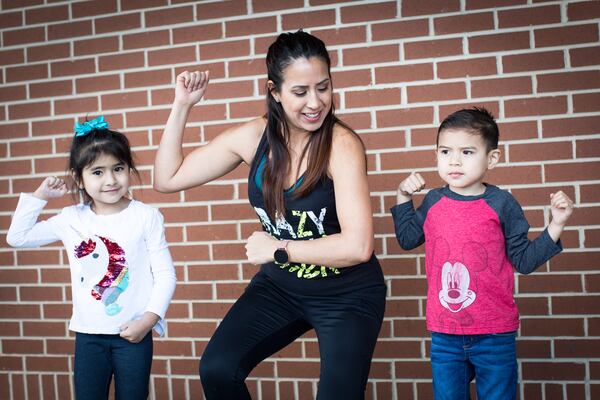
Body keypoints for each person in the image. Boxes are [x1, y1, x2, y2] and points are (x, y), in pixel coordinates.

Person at [154, 30, 386, 399]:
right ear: (274, 91)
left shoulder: (341, 145)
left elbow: (358, 246)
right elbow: (167, 178)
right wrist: (182, 105)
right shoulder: (254, 137)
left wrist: (279, 249)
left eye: (323, 87)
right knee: (218, 368)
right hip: (282, 288)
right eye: (300, 91)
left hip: (347, 293)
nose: (315, 102)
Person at [391, 107, 574, 400]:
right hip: (445, 334)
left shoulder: (503, 204)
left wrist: (556, 224)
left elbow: (524, 261)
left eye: (466, 152)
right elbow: (408, 238)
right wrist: (403, 197)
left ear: (492, 158)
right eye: (445, 151)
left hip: (494, 333)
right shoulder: (433, 201)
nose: (453, 160)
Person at [6, 116, 177, 400]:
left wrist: (148, 321)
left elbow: (165, 274)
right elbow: (17, 237)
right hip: (88, 337)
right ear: (79, 178)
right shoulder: (71, 219)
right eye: (97, 172)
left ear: (128, 169)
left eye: (118, 169)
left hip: (132, 335)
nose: (110, 180)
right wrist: (40, 196)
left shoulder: (145, 216)